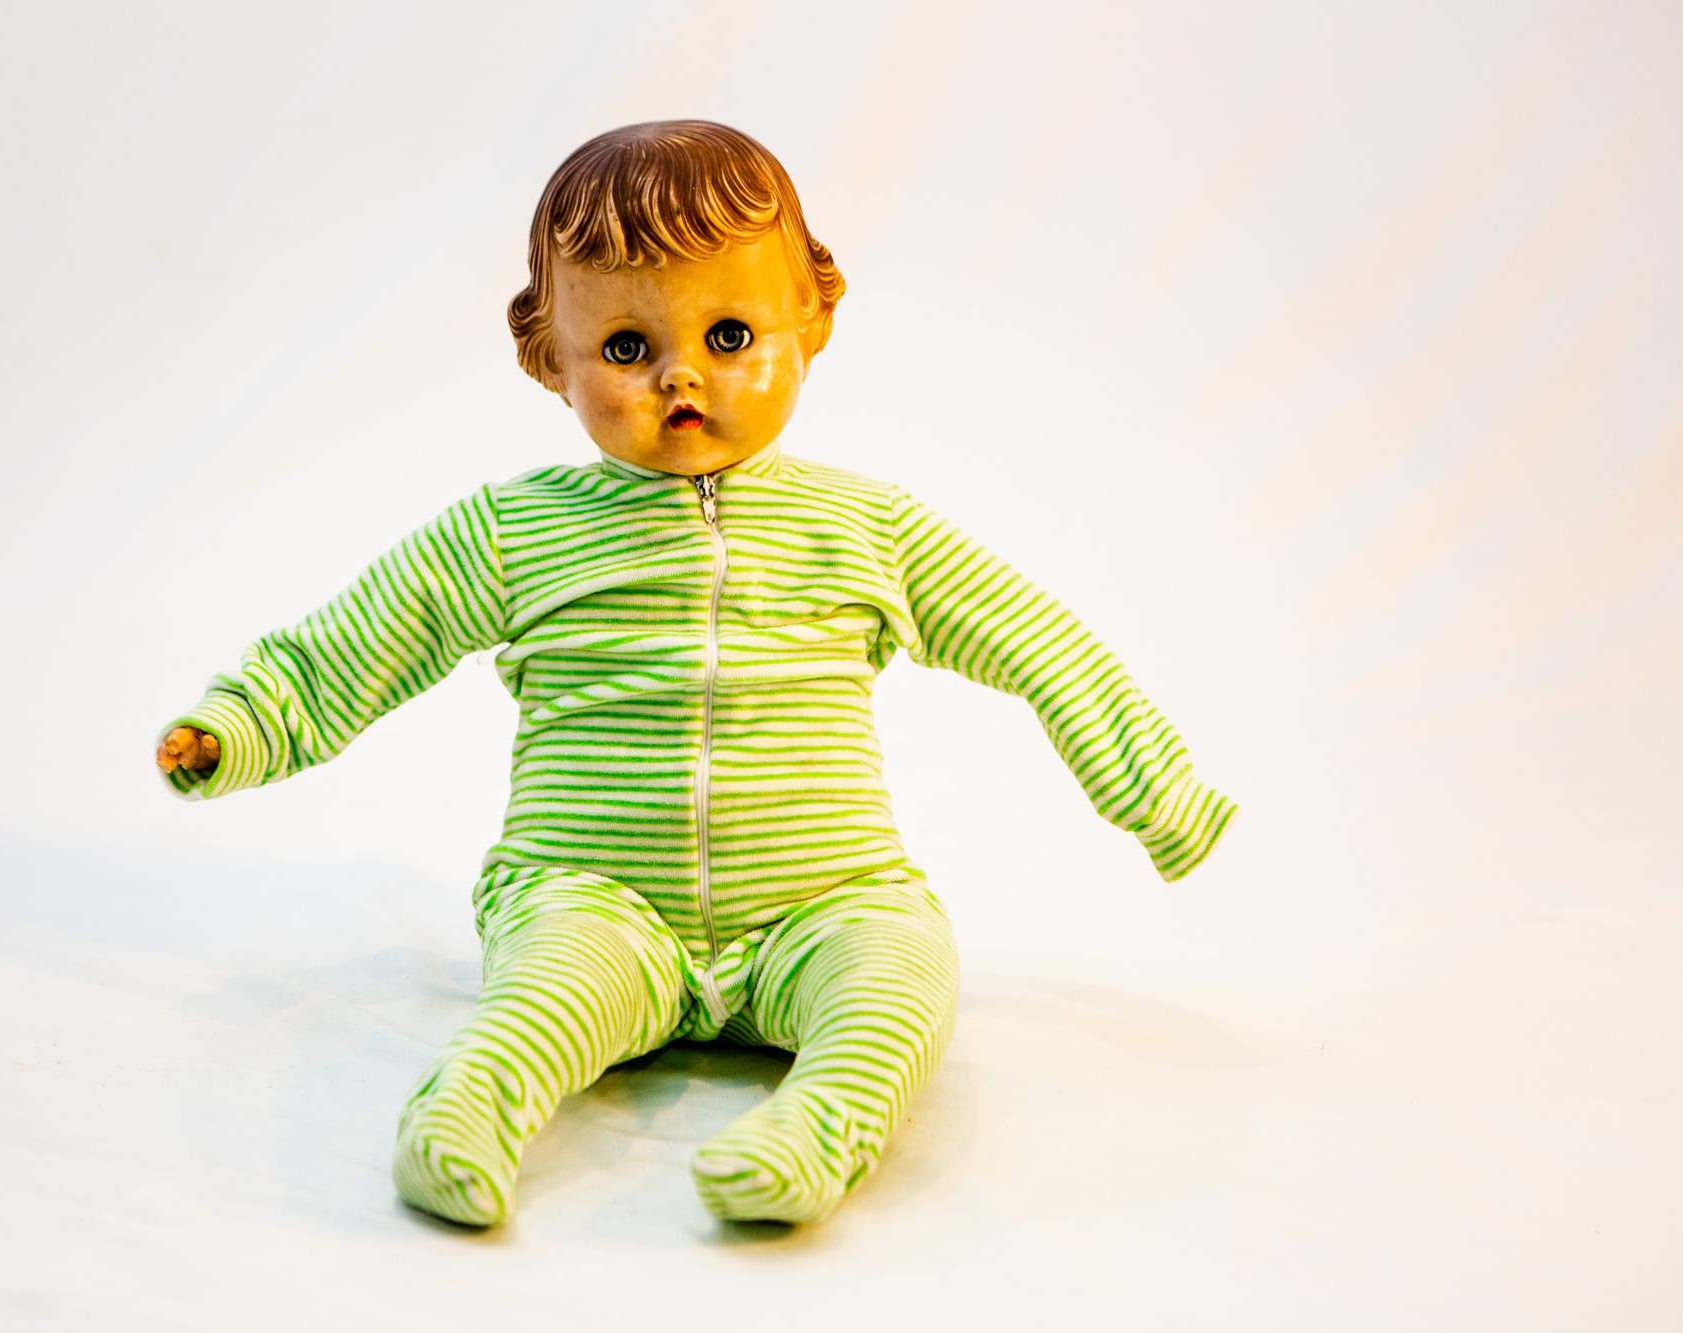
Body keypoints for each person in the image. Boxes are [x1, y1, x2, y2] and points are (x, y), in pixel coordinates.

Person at [154, 119, 1238, 1228]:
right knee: (542, 996)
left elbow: (1042, 644)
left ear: (811, 321)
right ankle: (463, 1119)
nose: (680, 374)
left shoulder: (866, 527)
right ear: (550, 356)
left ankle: (810, 1135)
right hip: (591, 892)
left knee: (900, 977)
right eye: (626, 347)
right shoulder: (513, 533)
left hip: (827, 900)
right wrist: (239, 724)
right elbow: (353, 643)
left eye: (728, 333)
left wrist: (1156, 792)